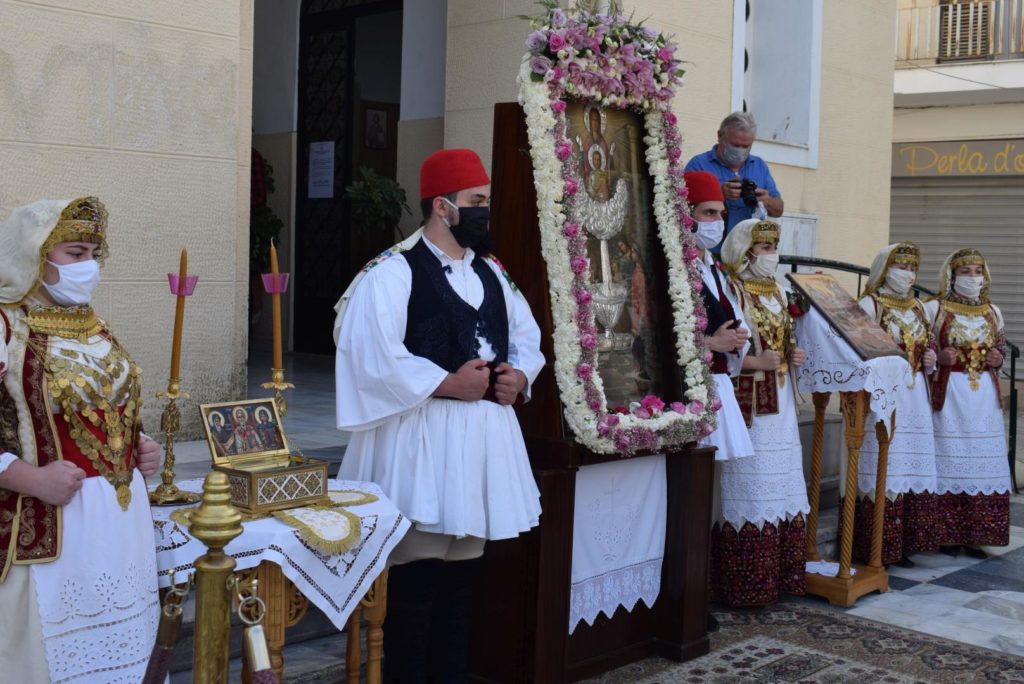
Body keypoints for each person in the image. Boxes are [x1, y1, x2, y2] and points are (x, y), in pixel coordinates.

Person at [334, 148, 544, 683]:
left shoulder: (493, 272)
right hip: (420, 437)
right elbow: (368, 349)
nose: (485, 213)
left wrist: (519, 376)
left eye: (487, 203)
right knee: (417, 583)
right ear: (442, 206)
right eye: (476, 202)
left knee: (462, 583)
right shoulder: (392, 271)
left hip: (481, 445)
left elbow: (526, 337)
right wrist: (447, 382)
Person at [0, 197, 163, 682]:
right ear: (36, 255)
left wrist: (140, 445)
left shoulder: (92, 324)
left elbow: (103, 407)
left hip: (118, 524)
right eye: (74, 252)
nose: (87, 265)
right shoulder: (7, 325)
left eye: (93, 252)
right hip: (50, 522)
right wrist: (29, 477)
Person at [714, 218, 808, 607]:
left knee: (783, 482)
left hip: (782, 400)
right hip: (750, 400)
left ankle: (779, 576)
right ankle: (745, 584)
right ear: (745, 249)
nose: (771, 254)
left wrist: (793, 355)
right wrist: (756, 362)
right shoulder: (731, 288)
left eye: (773, 246)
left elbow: (786, 339)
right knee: (751, 482)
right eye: (764, 247)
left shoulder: (780, 290)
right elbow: (723, 347)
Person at [852, 243, 938, 567]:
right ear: (885, 269)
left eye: (913, 267)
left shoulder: (917, 307)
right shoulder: (869, 304)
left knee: (909, 464)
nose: (909, 273)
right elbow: (858, 349)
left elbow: (927, 344)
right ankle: (876, 546)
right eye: (901, 266)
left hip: (915, 395)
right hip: (884, 396)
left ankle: (903, 544)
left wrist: (929, 358)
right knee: (884, 466)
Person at [924, 248, 1011, 558]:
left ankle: (977, 534)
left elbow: (1001, 348)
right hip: (950, 395)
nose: (972, 278)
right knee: (949, 456)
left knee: (981, 459)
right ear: (951, 276)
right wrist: (939, 360)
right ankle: (945, 534)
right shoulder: (934, 309)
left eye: (977, 272)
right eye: (965, 272)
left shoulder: (993, 311)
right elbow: (924, 351)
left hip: (983, 395)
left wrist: (997, 358)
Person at [684, 112, 784, 246]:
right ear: (720, 136)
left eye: (746, 146)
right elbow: (682, 209)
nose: (740, 151)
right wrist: (719, 194)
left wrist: (766, 200)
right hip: (709, 251)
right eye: (735, 145)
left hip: (747, 253)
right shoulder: (699, 164)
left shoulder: (759, 165)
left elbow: (779, 210)